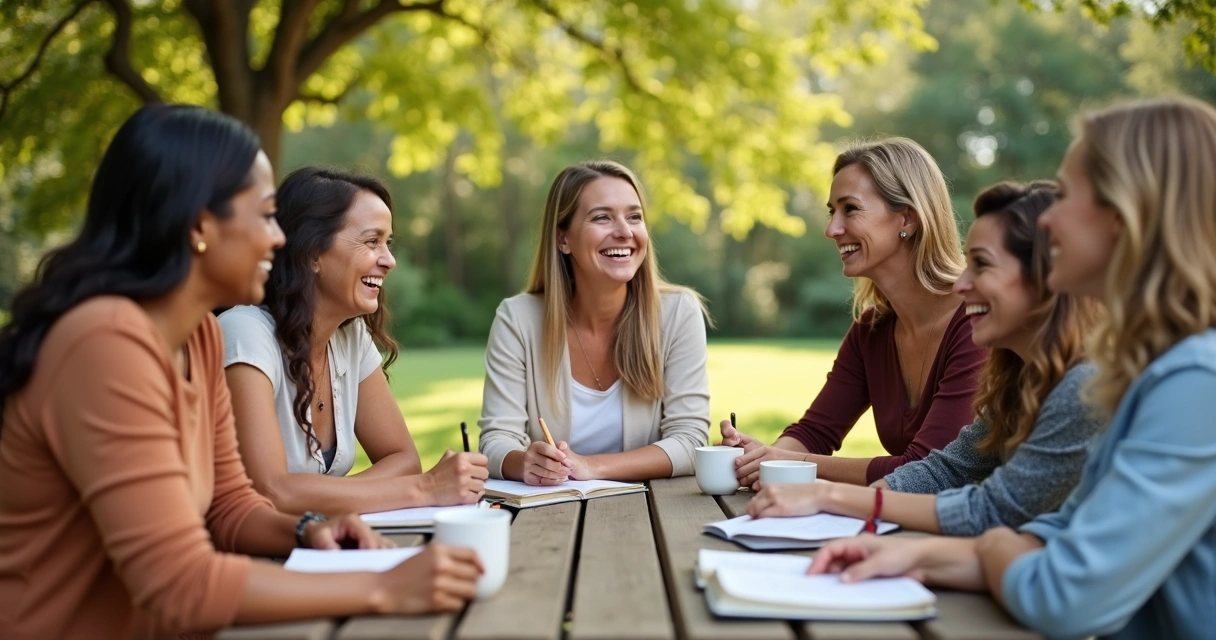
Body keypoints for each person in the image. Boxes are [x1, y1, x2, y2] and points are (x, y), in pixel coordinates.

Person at [0, 105, 481, 640]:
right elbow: (180, 585)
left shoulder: (200, 338)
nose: (278, 239)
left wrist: (308, 530)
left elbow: (231, 507)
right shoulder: (104, 343)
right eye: (265, 215)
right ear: (200, 225)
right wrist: (384, 585)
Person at [808, 97, 1216, 640]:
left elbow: (1060, 590)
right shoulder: (1151, 368)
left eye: (1068, 195)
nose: (1047, 218)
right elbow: (1058, 531)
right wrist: (922, 554)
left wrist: (997, 542)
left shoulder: (1193, 380)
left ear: (1127, 215)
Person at [746, 180, 1105, 536]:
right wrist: (815, 490)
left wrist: (828, 494)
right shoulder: (1020, 380)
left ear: (1047, 276)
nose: (962, 284)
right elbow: (943, 472)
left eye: (982, 265)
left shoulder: (1083, 388)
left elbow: (993, 510)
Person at [219, 167, 487, 516]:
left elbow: (404, 460)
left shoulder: (350, 337)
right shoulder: (244, 333)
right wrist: (425, 488)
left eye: (388, 243)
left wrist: (321, 498)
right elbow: (270, 492)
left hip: (322, 541)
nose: (389, 261)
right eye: (372, 241)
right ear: (312, 252)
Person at [722, 138, 987, 486]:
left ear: (907, 218)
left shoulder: (978, 321)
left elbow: (925, 470)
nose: (832, 229)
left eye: (850, 209)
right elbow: (815, 432)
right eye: (832, 211)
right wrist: (759, 458)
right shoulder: (872, 330)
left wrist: (788, 462)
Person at [478, 160, 710, 485]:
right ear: (563, 239)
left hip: (655, 508)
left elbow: (690, 441)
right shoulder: (518, 320)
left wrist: (593, 466)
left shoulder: (678, 313)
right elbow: (496, 440)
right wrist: (525, 463)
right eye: (602, 217)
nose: (625, 232)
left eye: (634, 217)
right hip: (551, 509)